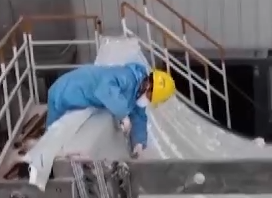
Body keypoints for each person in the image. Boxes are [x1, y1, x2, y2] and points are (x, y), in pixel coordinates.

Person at [45, 63, 176, 158]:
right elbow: (105, 88)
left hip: (80, 98)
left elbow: (139, 115)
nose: (148, 101)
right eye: (150, 97)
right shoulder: (127, 77)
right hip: (65, 91)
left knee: (64, 139)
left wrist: (139, 143)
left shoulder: (138, 91)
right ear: (148, 86)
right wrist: (123, 115)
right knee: (52, 140)